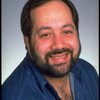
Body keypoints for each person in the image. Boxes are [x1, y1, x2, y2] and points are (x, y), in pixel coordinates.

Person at [2, 0, 98, 100]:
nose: (59, 45)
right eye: (45, 34)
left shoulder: (88, 71)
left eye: (67, 32)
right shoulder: (13, 96)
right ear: (27, 42)